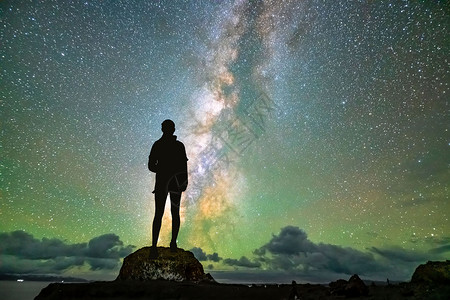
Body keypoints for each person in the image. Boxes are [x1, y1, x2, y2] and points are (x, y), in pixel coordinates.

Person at [148, 119, 188, 258]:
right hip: (168, 184)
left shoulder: (173, 146)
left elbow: (183, 165)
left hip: (172, 184)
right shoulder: (160, 145)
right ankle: (156, 246)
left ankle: (170, 244)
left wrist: (184, 181)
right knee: (163, 214)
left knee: (170, 213)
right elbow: (151, 166)